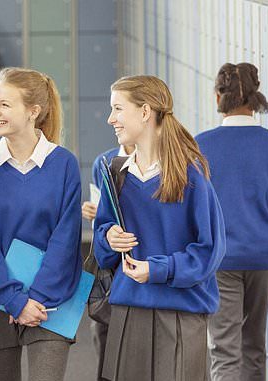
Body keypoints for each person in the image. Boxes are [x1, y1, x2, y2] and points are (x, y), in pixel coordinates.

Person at [93, 75, 226, 381]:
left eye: (117, 109)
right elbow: (102, 243)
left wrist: (157, 269)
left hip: (180, 311)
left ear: (144, 112)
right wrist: (108, 238)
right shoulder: (115, 174)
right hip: (128, 309)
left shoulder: (190, 176)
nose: (110, 119)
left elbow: (210, 250)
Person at [0, 67, 82, 381]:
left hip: (52, 300)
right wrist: (14, 300)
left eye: (5, 104)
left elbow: (66, 238)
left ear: (33, 111)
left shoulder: (64, 164)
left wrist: (37, 299)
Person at [196, 63, 268, 381]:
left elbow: (193, 212)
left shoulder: (200, 145)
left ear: (218, 97)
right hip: (263, 260)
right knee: (254, 348)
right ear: (256, 99)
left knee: (224, 351)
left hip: (220, 260)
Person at [81, 144, 134, 381]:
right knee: (105, 338)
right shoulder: (103, 162)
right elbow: (101, 222)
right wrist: (96, 215)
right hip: (110, 267)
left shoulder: (163, 159)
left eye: (120, 110)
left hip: (140, 264)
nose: (112, 120)